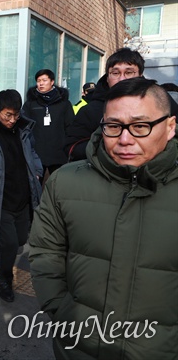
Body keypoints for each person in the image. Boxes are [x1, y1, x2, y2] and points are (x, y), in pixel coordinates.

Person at [29, 78, 177, 360]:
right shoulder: (65, 183)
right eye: (113, 126)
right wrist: (61, 310)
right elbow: (46, 252)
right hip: (77, 346)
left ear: (169, 127)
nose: (124, 138)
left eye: (140, 126)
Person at [0, 89, 42, 303]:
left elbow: (32, 152)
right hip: (0, 197)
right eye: (8, 115)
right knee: (8, 243)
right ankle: (4, 279)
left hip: (22, 195)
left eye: (16, 114)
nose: (12, 120)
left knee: (20, 241)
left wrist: (37, 170)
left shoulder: (23, 127)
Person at [65, 48, 145, 161]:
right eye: (115, 73)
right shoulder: (90, 111)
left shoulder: (158, 103)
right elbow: (72, 148)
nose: (122, 79)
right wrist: (107, 143)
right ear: (107, 78)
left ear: (140, 76)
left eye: (129, 72)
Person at [22, 69, 74, 180]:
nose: (41, 83)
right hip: (36, 153)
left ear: (52, 82)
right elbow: (24, 126)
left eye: (44, 80)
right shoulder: (31, 103)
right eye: (38, 80)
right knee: (35, 187)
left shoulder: (64, 103)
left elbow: (70, 127)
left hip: (59, 153)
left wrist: (68, 148)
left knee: (59, 185)